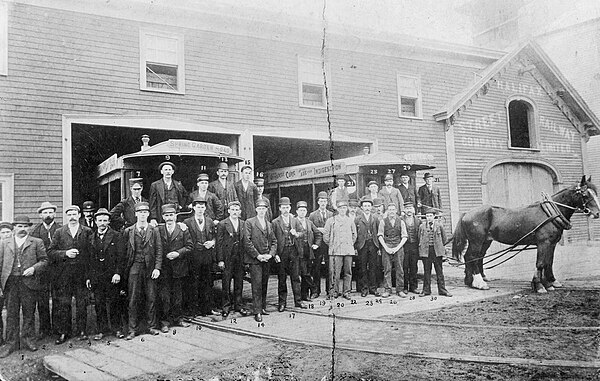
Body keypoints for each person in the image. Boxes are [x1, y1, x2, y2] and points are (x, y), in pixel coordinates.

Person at [0, 216, 47, 358]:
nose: (22, 229)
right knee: (12, 314)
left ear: (29, 228)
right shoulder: (4, 243)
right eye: (19, 226)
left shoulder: (36, 242)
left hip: (29, 282)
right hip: (11, 282)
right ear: (14, 227)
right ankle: (11, 343)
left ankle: (28, 340)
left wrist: (34, 268)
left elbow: (44, 260)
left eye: (25, 226)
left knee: (29, 313)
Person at [48, 205, 93, 344]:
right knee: (64, 303)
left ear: (79, 215)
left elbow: (92, 254)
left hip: (81, 273)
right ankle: (64, 332)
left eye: (75, 214)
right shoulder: (59, 232)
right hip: (64, 274)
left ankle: (82, 330)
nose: (72, 217)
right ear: (66, 217)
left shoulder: (87, 231)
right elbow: (50, 252)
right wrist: (65, 253)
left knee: (81, 303)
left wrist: (89, 275)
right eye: (69, 215)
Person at [123, 202, 163, 340]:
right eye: (140, 212)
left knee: (151, 297)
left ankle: (151, 326)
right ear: (135, 214)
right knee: (133, 299)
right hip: (134, 267)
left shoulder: (154, 230)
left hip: (150, 268)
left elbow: (159, 250)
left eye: (145, 212)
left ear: (148, 214)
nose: (142, 215)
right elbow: (124, 253)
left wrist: (157, 268)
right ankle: (132, 329)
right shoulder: (129, 231)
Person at [86, 208, 127, 340]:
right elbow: (89, 259)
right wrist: (88, 277)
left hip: (112, 275)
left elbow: (121, 257)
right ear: (96, 222)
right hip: (97, 276)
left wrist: (117, 273)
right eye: (100, 220)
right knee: (99, 303)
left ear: (109, 221)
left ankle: (117, 329)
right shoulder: (91, 237)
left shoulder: (116, 236)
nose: (102, 223)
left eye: (105, 220)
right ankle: (102, 330)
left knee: (114, 302)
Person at [157, 204, 192, 333]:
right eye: (166, 216)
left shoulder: (183, 229)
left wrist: (178, 253)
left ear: (176, 216)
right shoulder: (158, 230)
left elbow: (189, 246)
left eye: (171, 215)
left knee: (178, 295)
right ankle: (165, 322)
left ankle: (178, 319)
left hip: (179, 267)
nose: (169, 218)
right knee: (164, 297)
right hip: (165, 268)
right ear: (163, 217)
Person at [30, 201, 60, 340]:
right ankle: (44, 329)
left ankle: (58, 329)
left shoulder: (61, 229)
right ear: (40, 215)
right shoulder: (35, 232)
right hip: (42, 271)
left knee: (57, 299)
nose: (48, 215)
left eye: (50, 212)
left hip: (57, 269)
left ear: (54, 214)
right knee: (42, 301)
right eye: (45, 212)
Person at [183, 198, 218, 317]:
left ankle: (207, 308)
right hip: (194, 257)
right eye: (198, 207)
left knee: (207, 282)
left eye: (202, 207)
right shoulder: (187, 222)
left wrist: (212, 243)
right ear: (193, 208)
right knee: (193, 283)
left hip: (207, 257)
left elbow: (214, 236)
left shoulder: (209, 221)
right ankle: (193, 309)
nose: (200, 209)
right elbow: (185, 239)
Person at [244, 199, 277, 322]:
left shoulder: (269, 224)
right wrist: (257, 256)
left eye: (264, 209)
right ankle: (257, 311)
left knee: (264, 283)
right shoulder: (249, 222)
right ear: (256, 209)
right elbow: (247, 241)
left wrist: (271, 254)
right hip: (255, 260)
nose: (262, 211)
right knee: (256, 285)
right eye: (260, 208)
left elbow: (274, 241)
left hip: (266, 259)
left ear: (266, 210)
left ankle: (262, 307)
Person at [216, 201, 249, 318]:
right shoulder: (222, 224)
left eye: (237, 210)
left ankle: (238, 306)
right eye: (233, 209)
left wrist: (246, 259)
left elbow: (246, 242)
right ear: (229, 211)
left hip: (239, 258)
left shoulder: (243, 223)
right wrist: (220, 259)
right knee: (226, 283)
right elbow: (219, 243)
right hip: (227, 258)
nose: (235, 212)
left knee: (239, 282)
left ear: (239, 212)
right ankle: (226, 307)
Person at [272, 197, 306, 311]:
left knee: (296, 277)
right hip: (282, 252)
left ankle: (298, 301)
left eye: (287, 207)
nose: (286, 209)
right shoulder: (275, 222)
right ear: (280, 209)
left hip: (293, 251)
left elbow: (303, 233)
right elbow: (273, 239)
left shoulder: (295, 220)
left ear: (290, 208)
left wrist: (296, 234)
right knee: (282, 278)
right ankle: (282, 303)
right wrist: (275, 254)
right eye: (283, 208)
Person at [323, 200, 357, 300]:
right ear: (337, 209)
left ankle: (346, 291)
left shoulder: (350, 220)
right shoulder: (331, 220)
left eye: (344, 208)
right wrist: (332, 245)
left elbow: (354, 235)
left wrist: (350, 244)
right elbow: (326, 235)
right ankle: (334, 291)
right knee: (334, 273)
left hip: (348, 250)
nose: (342, 210)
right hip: (335, 251)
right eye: (341, 208)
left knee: (348, 272)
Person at [419, 207, 452, 297]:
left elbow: (444, 239)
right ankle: (426, 290)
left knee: (439, 271)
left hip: (437, 251)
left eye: (430, 216)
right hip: (426, 251)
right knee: (426, 271)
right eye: (427, 216)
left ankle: (442, 290)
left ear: (434, 216)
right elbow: (420, 239)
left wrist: (443, 249)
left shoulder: (439, 225)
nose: (429, 217)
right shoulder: (422, 226)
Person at [377, 203, 408, 298]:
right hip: (386, 246)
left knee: (400, 269)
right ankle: (387, 289)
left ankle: (400, 289)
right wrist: (386, 248)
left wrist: (397, 248)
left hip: (398, 246)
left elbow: (405, 236)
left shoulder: (401, 221)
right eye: (389, 210)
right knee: (387, 269)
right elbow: (380, 235)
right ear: (387, 211)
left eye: (393, 210)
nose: (391, 212)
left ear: (396, 211)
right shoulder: (383, 221)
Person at [295, 201, 322, 301]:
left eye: (304, 210)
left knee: (306, 272)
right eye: (300, 210)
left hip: (308, 251)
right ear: (297, 211)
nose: (302, 212)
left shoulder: (309, 222)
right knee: (304, 272)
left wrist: (316, 244)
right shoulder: (293, 222)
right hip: (298, 251)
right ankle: (314, 288)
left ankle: (304, 295)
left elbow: (318, 234)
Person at [308, 191, 333, 298]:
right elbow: (309, 228)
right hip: (317, 244)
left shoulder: (331, 214)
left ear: (327, 202)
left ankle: (329, 291)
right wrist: (319, 229)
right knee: (316, 268)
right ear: (318, 202)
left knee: (329, 268)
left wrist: (326, 231)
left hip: (328, 244)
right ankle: (315, 291)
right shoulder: (312, 215)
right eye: (321, 201)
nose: (323, 203)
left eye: (325, 201)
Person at [354, 196, 380, 297]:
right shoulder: (357, 219)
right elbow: (355, 234)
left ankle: (373, 288)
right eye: (365, 206)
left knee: (373, 267)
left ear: (371, 207)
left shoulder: (375, 218)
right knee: (362, 267)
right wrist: (356, 247)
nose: (367, 208)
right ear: (362, 207)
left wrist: (378, 247)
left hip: (373, 244)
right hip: (362, 245)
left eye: (369, 206)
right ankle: (364, 289)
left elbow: (378, 232)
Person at [149, 161, 188, 226]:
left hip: (175, 216)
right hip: (161, 217)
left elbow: (185, 196)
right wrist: (153, 218)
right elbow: (152, 203)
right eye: (166, 170)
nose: (168, 172)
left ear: (172, 172)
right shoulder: (155, 185)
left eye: (170, 170)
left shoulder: (178, 185)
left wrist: (181, 205)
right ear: (162, 172)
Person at [402, 202, 421, 294]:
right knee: (404, 267)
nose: (409, 210)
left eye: (410, 208)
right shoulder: (401, 220)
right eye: (407, 208)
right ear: (404, 210)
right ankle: (404, 287)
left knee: (414, 267)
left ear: (413, 210)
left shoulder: (418, 221)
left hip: (414, 246)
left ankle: (413, 287)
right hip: (404, 246)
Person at [0, 221, 14, 346]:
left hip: (10, 284)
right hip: (1, 284)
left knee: (11, 311)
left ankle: (10, 338)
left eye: (8, 232)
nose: (6, 235)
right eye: (3, 233)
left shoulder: (14, 245)